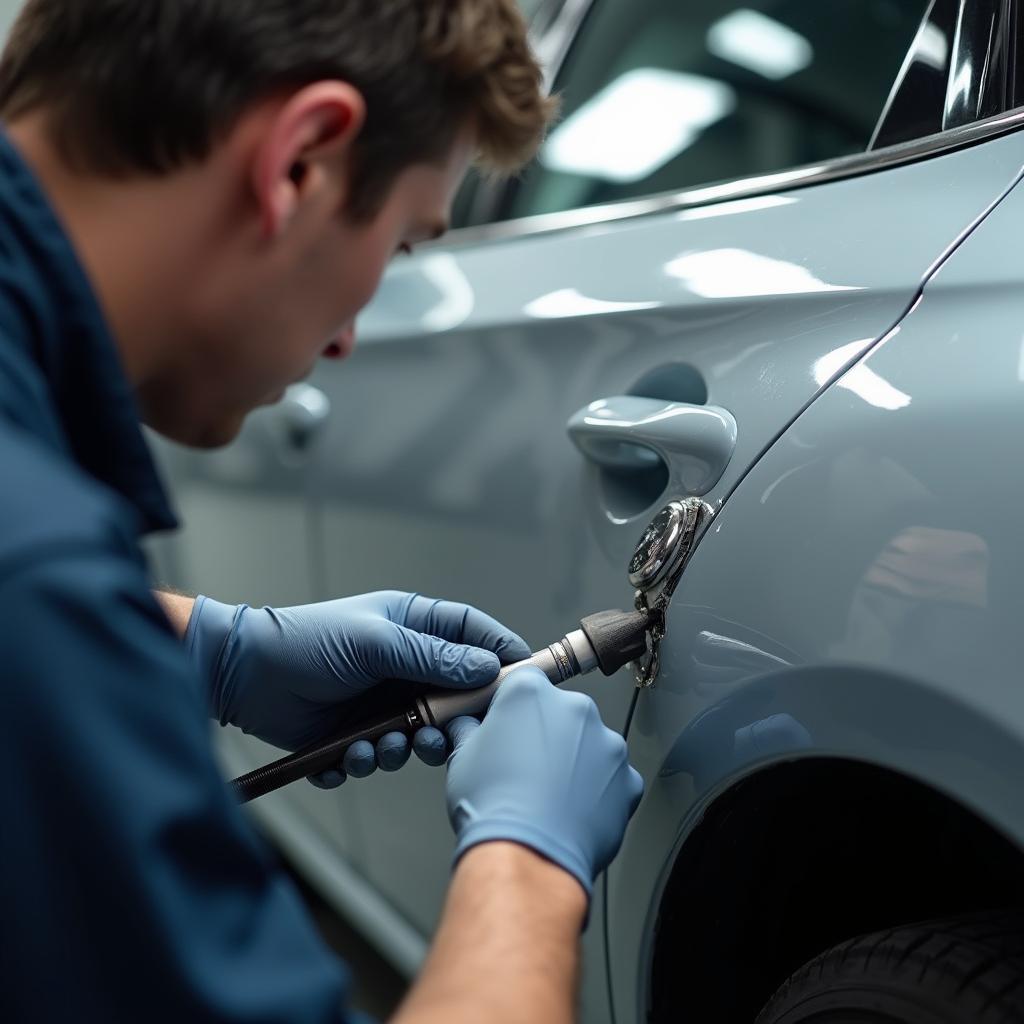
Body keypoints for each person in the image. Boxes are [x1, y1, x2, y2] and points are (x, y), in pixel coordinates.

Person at [0, 2, 644, 1022]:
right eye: (396, 246)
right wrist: (527, 863)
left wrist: (211, 647)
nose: (345, 342)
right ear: (300, 161)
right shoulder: (33, 571)